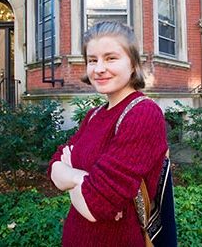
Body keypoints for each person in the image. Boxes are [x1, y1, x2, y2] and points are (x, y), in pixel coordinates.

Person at [48, 21, 168, 247]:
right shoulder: (94, 115)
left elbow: (96, 205)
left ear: (133, 64)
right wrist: (81, 179)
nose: (99, 68)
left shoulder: (143, 114)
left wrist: (70, 174)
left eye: (110, 58)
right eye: (92, 60)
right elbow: (54, 165)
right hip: (76, 236)